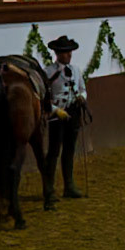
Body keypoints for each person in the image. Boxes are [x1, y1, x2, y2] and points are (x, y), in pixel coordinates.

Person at [45, 35, 89, 197]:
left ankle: (69, 185)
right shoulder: (49, 72)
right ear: (57, 54)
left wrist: (82, 98)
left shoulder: (76, 70)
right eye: (64, 53)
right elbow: (44, 99)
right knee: (54, 151)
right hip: (58, 116)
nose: (68, 55)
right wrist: (56, 110)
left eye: (69, 52)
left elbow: (83, 88)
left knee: (69, 149)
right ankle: (49, 188)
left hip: (73, 112)